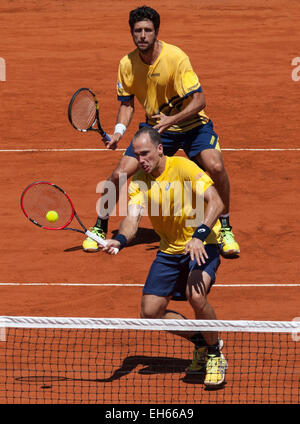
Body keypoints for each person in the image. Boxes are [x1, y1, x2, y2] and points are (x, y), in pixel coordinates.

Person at [83, 5, 239, 257]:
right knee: (119, 174)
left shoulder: (176, 58)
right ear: (132, 33)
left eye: (147, 30)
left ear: (156, 32)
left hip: (192, 125)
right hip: (157, 128)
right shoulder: (127, 64)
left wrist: (173, 119)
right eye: (137, 31)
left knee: (216, 166)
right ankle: (100, 228)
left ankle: (226, 227)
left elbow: (199, 100)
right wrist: (119, 132)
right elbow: (126, 104)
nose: (142, 35)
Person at [101, 126, 227, 387]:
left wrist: (199, 235)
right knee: (150, 312)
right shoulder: (139, 181)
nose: (141, 160)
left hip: (204, 243)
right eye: (137, 155)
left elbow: (216, 201)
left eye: (146, 154)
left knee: (196, 294)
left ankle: (215, 355)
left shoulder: (182, 167)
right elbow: (132, 220)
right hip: (170, 249)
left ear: (160, 149)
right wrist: (120, 240)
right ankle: (202, 341)